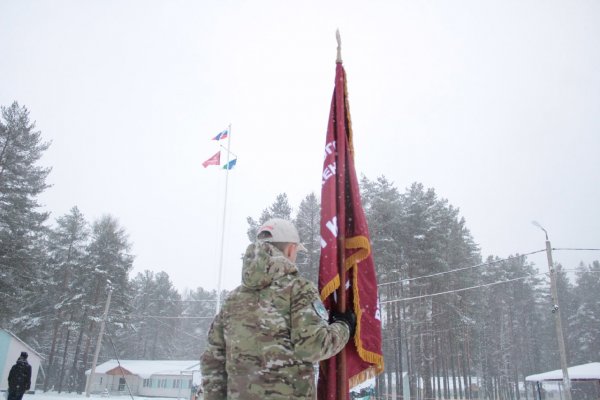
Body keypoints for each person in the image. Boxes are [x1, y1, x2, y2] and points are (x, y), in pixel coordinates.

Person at [201, 218, 356, 400]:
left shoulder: (232, 300)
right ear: (291, 249)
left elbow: (212, 362)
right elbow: (313, 346)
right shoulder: (298, 289)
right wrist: (344, 326)